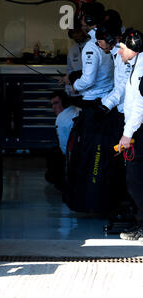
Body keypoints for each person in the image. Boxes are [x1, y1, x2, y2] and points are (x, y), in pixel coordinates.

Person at [116, 29, 143, 241]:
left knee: (135, 180)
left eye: (122, 48)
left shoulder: (141, 69)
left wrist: (127, 135)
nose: (119, 51)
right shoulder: (136, 65)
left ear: (133, 50)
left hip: (139, 130)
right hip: (136, 129)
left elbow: (139, 107)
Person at [72, 2, 114, 104]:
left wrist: (75, 85)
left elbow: (88, 80)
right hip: (108, 97)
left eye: (83, 17)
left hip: (93, 100)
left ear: (88, 19)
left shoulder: (91, 45)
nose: (81, 20)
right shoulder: (110, 40)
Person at [51, 91, 81, 156]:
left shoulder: (60, 118)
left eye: (56, 103)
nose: (53, 107)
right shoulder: (79, 110)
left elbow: (64, 147)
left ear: (64, 102)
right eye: (52, 104)